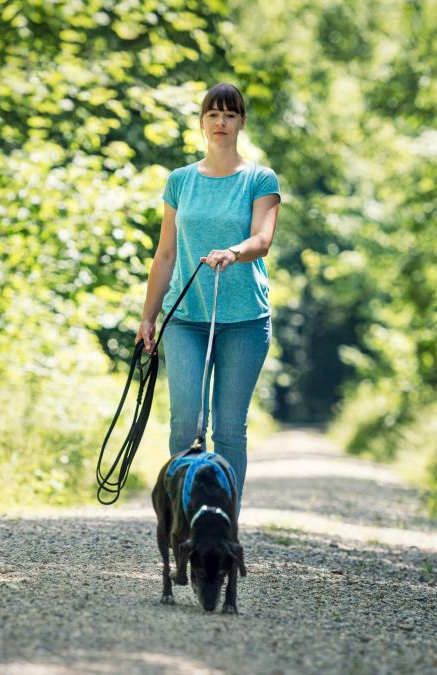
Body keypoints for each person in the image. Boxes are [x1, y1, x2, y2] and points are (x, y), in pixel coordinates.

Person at [135, 82, 281, 509]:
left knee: (229, 429)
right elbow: (165, 255)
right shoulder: (180, 181)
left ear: (241, 122)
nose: (221, 122)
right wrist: (148, 317)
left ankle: (223, 522)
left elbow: (263, 239)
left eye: (230, 114)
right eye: (213, 114)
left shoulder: (259, 178)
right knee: (186, 423)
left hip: (244, 321)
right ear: (202, 122)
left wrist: (232, 251)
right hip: (186, 318)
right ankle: (185, 520)